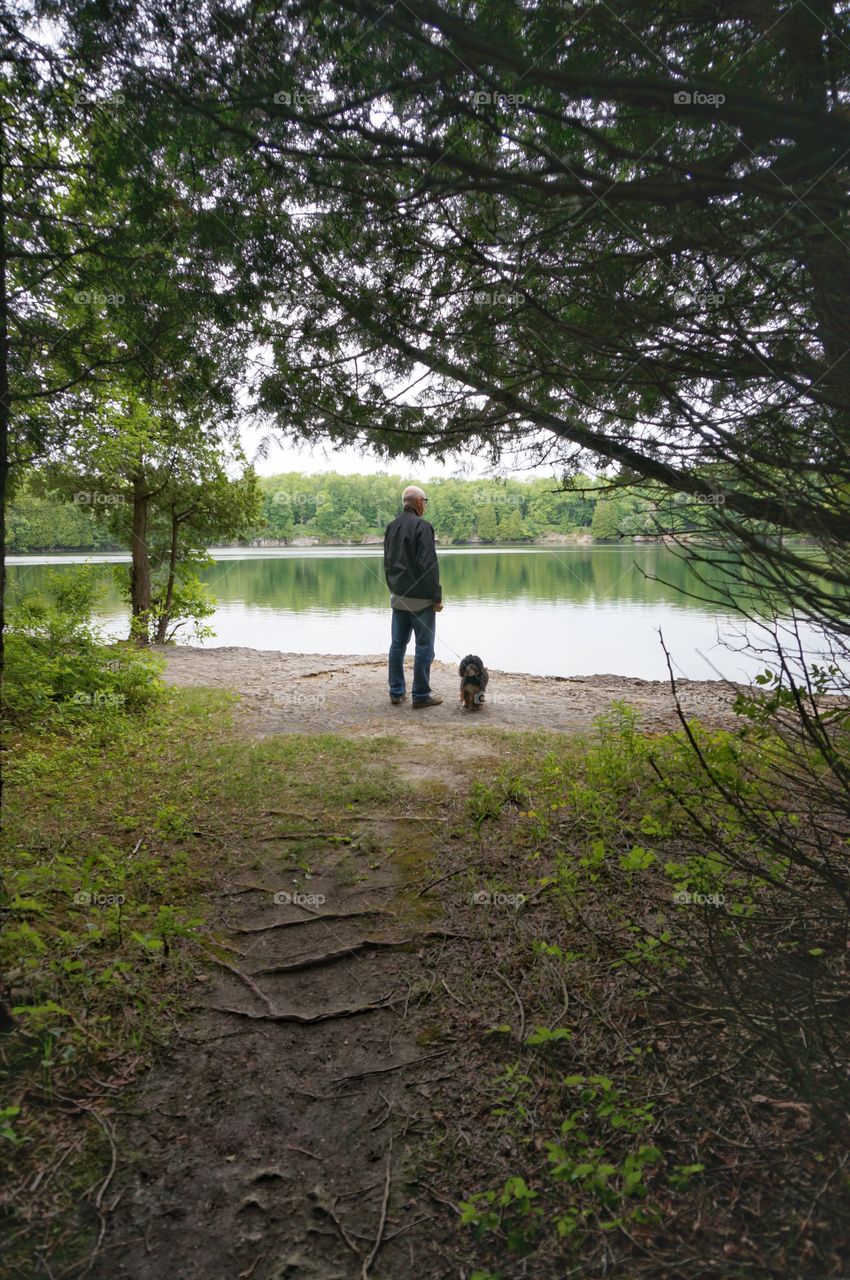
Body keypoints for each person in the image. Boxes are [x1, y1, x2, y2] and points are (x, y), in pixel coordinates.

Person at [383, 485, 444, 708]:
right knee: (424, 647)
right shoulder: (423, 527)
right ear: (419, 502)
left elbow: (387, 564)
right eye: (425, 501)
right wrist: (436, 596)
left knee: (397, 645)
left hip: (398, 596)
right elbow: (428, 565)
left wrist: (393, 589)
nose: (425, 505)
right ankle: (420, 695)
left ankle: (396, 692)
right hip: (420, 600)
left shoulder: (391, 527)